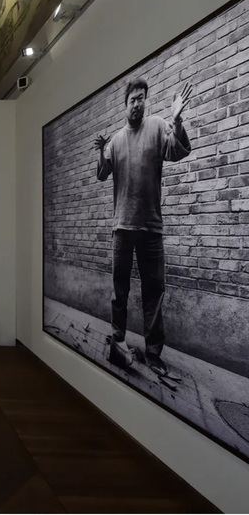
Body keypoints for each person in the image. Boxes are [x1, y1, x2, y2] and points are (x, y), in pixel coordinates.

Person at [95, 78, 192, 375]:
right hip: (122, 227)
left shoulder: (158, 126)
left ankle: (153, 353)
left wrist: (177, 121)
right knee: (119, 289)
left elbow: (178, 151)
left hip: (151, 226)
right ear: (125, 105)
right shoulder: (115, 140)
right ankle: (119, 340)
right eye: (133, 99)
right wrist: (100, 152)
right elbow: (101, 173)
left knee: (154, 291)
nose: (138, 103)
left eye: (141, 99)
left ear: (145, 101)